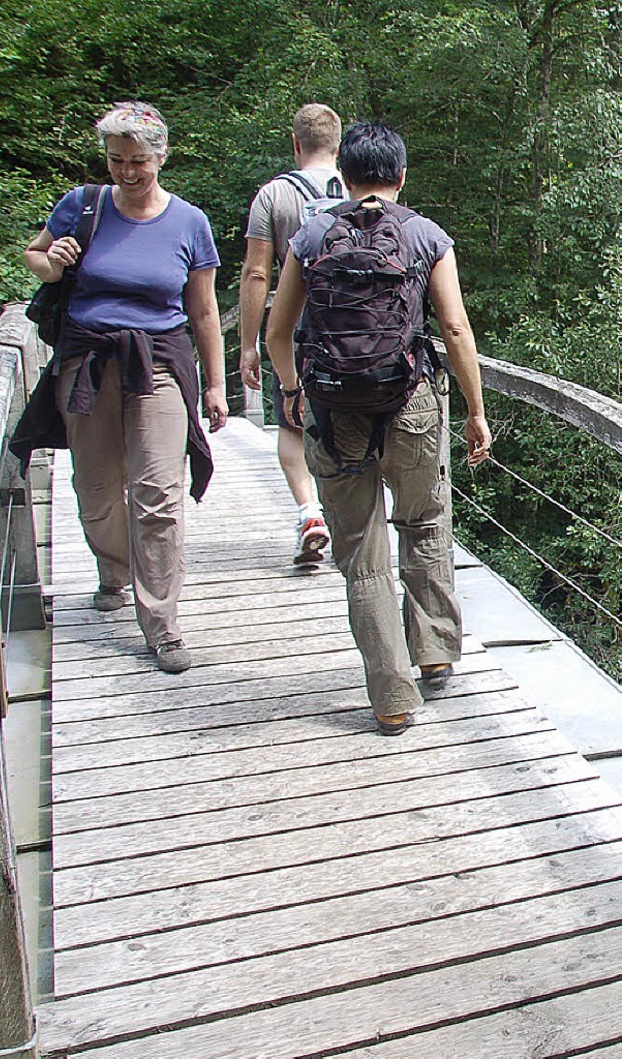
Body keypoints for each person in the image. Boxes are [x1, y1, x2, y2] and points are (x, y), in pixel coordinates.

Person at [267, 122, 492, 734]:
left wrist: (292, 390)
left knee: (362, 551)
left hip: (335, 411)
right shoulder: (425, 236)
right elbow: (455, 330)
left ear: (344, 175)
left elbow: (277, 332)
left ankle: (391, 697)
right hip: (413, 404)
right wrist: (474, 410)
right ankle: (436, 654)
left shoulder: (312, 236)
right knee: (423, 523)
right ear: (401, 176)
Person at [19, 101, 228, 673]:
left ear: (161, 157)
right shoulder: (80, 206)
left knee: (158, 492)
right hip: (87, 358)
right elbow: (35, 258)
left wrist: (216, 384)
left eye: (139, 161)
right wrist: (52, 261)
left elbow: (205, 311)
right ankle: (114, 569)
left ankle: (161, 624)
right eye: (116, 160)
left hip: (159, 360)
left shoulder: (190, 222)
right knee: (95, 487)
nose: (127, 172)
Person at [240, 103, 345, 565]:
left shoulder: (273, 196)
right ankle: (348, 514)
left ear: (295, 143)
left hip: (296, 329)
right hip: (354, 329)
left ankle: (308, 512)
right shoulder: (360, 189)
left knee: (292, 414)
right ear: (338, 145)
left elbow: (256, 274)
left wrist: (248, 342)